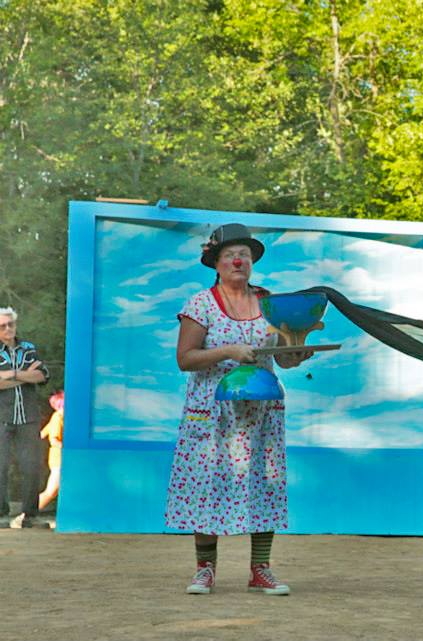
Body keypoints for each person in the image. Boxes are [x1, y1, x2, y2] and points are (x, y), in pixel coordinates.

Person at [164, 223, 310, 596]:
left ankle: (260, 569)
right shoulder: (200, 304)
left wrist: (297, 351)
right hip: (213, 417)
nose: (237, 259)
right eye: (229, 254)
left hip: (260, 415)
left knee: (265, 484)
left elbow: (286, 359)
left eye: (244, 253)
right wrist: (229, 352)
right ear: (215, 261)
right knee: (206, 486)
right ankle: (205, 570)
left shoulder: (269, 301)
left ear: (252, 261)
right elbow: (186, 359)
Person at [0, 307, 50, 528]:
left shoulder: (28, 348)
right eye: (3, 326)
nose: (8, 329)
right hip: (2, 416)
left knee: (32, 466)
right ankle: (2, 514)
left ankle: (30, 515)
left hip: (28, 416)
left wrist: (11, 374)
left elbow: (43, 375)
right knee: (1, 466)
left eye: (11, 324)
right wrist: (26, 376)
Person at [38, 390, 64, 511]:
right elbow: (54, 440)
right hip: (58, 459)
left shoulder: (63, 418)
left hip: (66, 459)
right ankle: (28, 513)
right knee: (52, 490)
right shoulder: (58, 417)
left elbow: (42, 433)